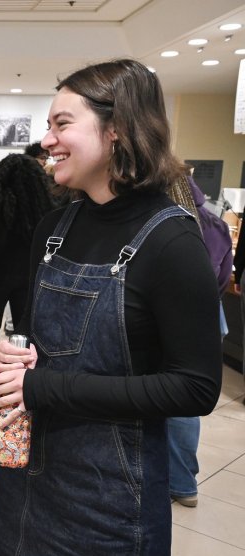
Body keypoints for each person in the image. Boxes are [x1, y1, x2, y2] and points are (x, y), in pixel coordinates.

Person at [0, 59, 222, 555]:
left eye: (62, 124)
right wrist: (16, 355)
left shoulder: (172, 242)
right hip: (25, 481)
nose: (47, 140)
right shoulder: (53, 229)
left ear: (117, 129)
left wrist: (43, 386)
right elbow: (34, 334)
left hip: (111, 496)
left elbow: (195, 388)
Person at [166, 174, 232, 508]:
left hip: (171, 314)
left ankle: (170, 479)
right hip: (210, 313)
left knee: (165, 394)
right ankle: (183, 482)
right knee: (188, 398)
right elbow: (223, 276)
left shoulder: (167, 223)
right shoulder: (215, 224)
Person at [0, 154, 53, 389]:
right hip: (28, 276)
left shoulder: (3, 208)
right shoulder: (42, 209)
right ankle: (22, 377)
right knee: (24, 332)